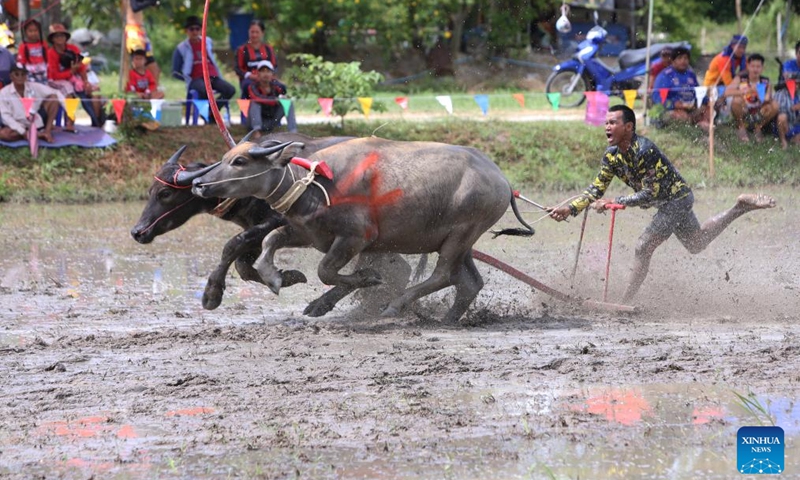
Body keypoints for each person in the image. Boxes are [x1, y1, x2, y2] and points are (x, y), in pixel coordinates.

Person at [547, 105, 775, 303]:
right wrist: (571, 209)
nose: (607, 127)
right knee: (696, 243)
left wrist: (615, 201)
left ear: (628, 127)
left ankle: (624, 302)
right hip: (668, 201)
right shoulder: (611, 156)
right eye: (606, 123)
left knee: (643, 246)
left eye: (613, 123)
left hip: (676, 199)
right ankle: (740, 207)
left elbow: (649, 193)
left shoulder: (644, 151)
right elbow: (595, 189)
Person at [171, 15, 235, 120]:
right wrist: (187, 79)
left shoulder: (207, 42)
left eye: (197, 28)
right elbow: (175, 71)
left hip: (212, 76)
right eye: (191, 29)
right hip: (196, 79)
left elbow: (212, 58)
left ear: (201, 30)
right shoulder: (181, 48)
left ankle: (211, 112)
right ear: (186, 31)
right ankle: (208, 115)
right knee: (203, 89)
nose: (195, 32)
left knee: (230, 89)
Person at [46, 23, 104, 128]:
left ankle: (97, 122)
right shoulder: (51, 53)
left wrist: (85, 81)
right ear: (53, 39)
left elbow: (81, 67)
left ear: (66, 37)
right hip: (57, 81)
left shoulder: (74, 48)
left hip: (75, 79)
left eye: (62, 35)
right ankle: (70, 123)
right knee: (69, 94)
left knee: (93, 92)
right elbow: (54, 75)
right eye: (57, 36)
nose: (60, 38)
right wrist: (71, 72)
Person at [0, 63, 64, 143]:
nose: (20, 77)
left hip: (36, 122)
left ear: (26, 76)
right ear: (11, 77)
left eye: (23, 74)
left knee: (53, 98)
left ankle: (46, 132)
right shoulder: (3, 93)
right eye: (17, 74)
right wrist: (23, 132)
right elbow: (6, 117)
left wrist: (70, 112)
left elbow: (56, 92)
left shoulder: (34, 86)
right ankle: (37, 135)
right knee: (3, 134)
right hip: (18, 125)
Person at [651, 47, 709, 131]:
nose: (683, 61)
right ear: (673, 61)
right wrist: (673, 105)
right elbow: (657, 97)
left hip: (691, 109)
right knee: (680, 117)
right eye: (679, 58)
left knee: (707, 109)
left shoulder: (690, 75)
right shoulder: (665, 75)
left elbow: (698, 93)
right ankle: (693, 126)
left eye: (685, 58)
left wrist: (707, 102)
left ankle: (699, 124)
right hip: (671, 110)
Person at [727, 53, 779, 143]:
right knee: (736, 100)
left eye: (758, 66)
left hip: (758, 113)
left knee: (775, 105)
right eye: (753, 66)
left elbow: (768, 98)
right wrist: (743, 92)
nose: (755, 69)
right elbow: (727, 92)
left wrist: (759, 95)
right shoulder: (741, 78)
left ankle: (758, 128)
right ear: (748, 66)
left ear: (762, 68)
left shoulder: (765, 81)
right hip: (744, 110)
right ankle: (741, 127)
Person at [246, 59, 297, 134]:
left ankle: (293, 132)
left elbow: (284, 95)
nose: (265, 74)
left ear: (272, 74)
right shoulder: (252, 86)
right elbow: (257, 98)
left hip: (272, 121)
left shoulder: (277, 86)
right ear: (258, 73)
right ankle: (256, 132)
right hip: (255, 123)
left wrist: (283, 99)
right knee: (255, 103)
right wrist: (275, 100)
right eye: (262, 71)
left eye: (268, 71)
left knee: (288, 103)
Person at [234, 19, 277, 99]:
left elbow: (274, 66)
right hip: (249, 80)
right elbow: (238, 69)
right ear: (248, 32)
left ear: (262, 33)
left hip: (268, 79)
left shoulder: (269, 49)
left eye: (257, 32)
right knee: (247, 86)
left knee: (280, 87)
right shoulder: (241, 50)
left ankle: (277, 109)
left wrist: (267, 76)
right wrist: (251, 76)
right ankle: (246, 110)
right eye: (252, 32)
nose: (254, 35)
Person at [16, 18, 48, 84]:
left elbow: (48, 58)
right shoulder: (23, 46)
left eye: (36, 30)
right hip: (30, 72)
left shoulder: (43, 44)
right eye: (30, 31)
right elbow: (21, 62)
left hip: (44, 70)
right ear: (25, 32)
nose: (33, 33)